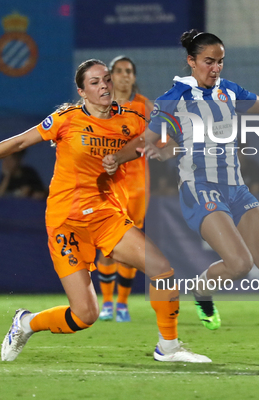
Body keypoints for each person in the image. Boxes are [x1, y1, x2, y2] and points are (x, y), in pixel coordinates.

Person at [103, 30, 259, 362]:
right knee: (241, 263)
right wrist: (117, 157)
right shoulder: (173, 98)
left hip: (236, 189)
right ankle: (202, 289)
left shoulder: (229, 91)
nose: (215, 68)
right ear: (191, 61)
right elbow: (148, 140)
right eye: (208, 61)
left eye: (220, 61)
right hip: (199, 190)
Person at [0, 59, 210, 363]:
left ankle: (168, 346)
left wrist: (161, 151)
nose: (104, 86)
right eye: (95, 82)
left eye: (106, 80)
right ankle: (26, 323)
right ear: (82, 91)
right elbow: (20, 141)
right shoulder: (66, 119)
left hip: (106, 216)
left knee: (162, 270)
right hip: (66, 223)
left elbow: (167, 146)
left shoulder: (132, 120)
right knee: (85, 315)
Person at [96, 56, 153, 323]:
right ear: (110, 77)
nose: (123, 75)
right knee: (106, 245)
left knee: (131, 246)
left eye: (128, 71)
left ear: (133, 76)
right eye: (118, 71)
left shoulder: (145, 107)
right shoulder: (100, 107)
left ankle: (122, 303)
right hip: (108, 185)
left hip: (137, 187)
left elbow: (163, 137)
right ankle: (106, 301)